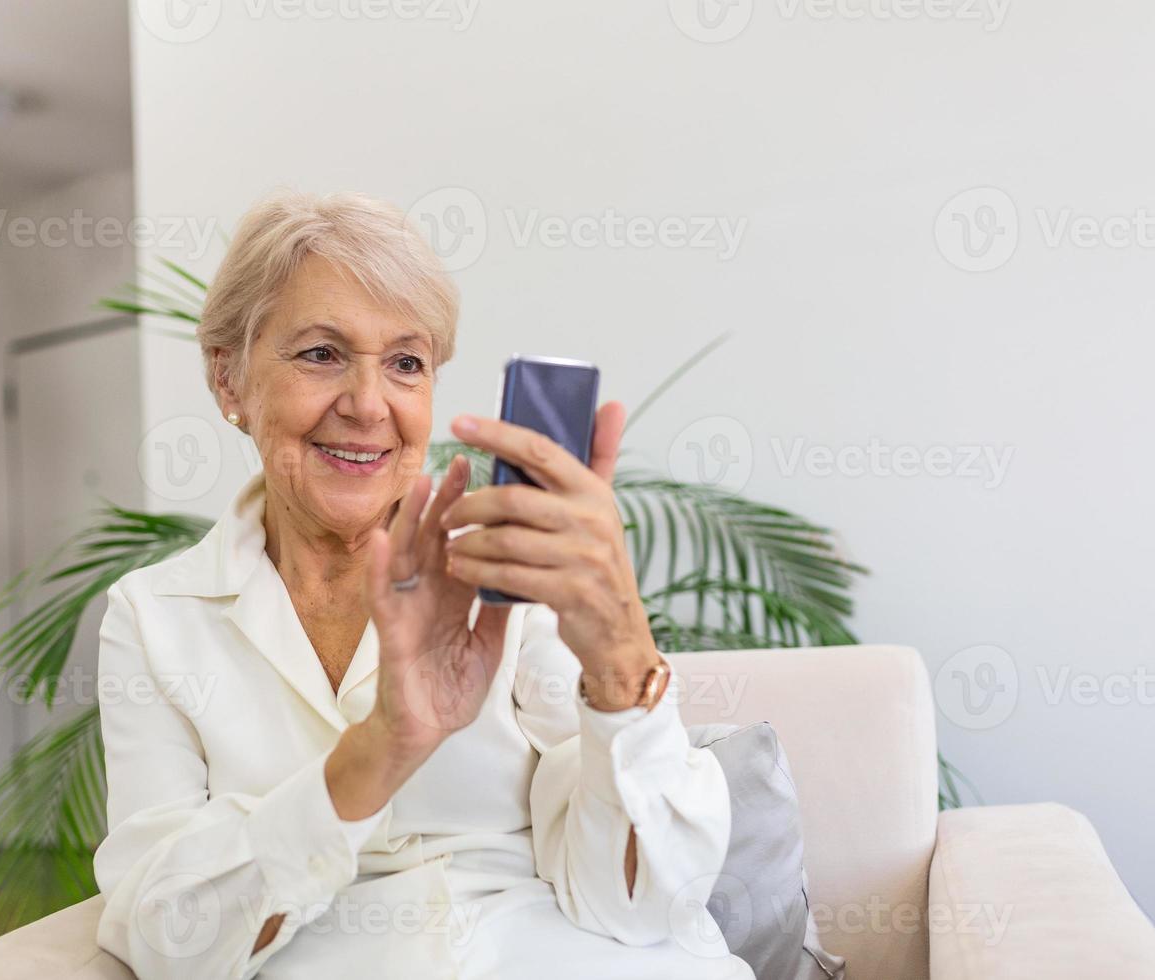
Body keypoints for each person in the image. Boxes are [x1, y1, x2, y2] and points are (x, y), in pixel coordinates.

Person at [91, 191, 752, 979]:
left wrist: (618, 653)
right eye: (321, 354)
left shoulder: (515, 574)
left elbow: (641, 908)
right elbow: (169, 936)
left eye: (406, 363)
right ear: (229, 381)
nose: (369, 405)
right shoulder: (158, 615)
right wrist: (382, 747)